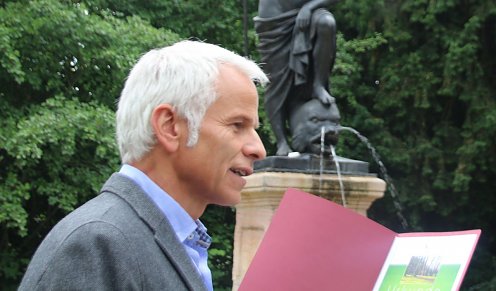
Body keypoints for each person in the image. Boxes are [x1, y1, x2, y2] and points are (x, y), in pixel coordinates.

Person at [19, 40, 268, 290]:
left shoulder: (175, 242)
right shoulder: (96, 245)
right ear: (169, 126)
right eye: (237, 125)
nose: (258, 149)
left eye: (253, 129)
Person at [255, 0, 341, 156]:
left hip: (310, 9)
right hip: (275, 16)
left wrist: (309, 7)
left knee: (326, 23)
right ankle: (281, 141)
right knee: (277, 81)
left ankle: (318, 85)